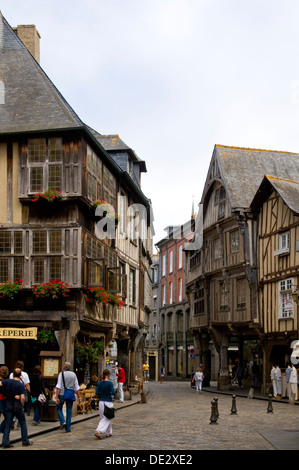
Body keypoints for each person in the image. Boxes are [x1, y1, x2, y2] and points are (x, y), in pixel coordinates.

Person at [0, 368, 32, 448]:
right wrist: (22, 403)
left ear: (13, 374)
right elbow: (23, 397)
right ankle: (25, 441)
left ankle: (5, 442)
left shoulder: (7, 381)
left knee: (8, 423)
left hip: (8, 405)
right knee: (22, 422)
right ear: (20, 375)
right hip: (17, 406)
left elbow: (0, 383)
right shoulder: (20, 384)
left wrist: (5, 393)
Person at [55, 362, 82, 433]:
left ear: (64, 367)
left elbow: (58, 386)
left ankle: (63, 421)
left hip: (61, 393)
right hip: (70, 393)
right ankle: (68, 428)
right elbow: (77, 387)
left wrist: (56, 396)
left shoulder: (61, 374)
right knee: (69, 410)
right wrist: (79, 397)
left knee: (58, 407)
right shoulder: (73, 374)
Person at [95, 368, 116, 439]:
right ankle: (99, 430)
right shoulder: (109, 383)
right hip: (108, 402)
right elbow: (113, 392)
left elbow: (97, 393)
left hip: (101, 402)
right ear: (108, 375)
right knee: (107, 417)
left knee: (103, 417)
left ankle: (109, 432)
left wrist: (102, 393)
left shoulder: (99, 383)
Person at [0, 365, 9, 434]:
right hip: (2, 400)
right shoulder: (4, 382)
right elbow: (4, 392)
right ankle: (1, 429)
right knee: (8, 416)